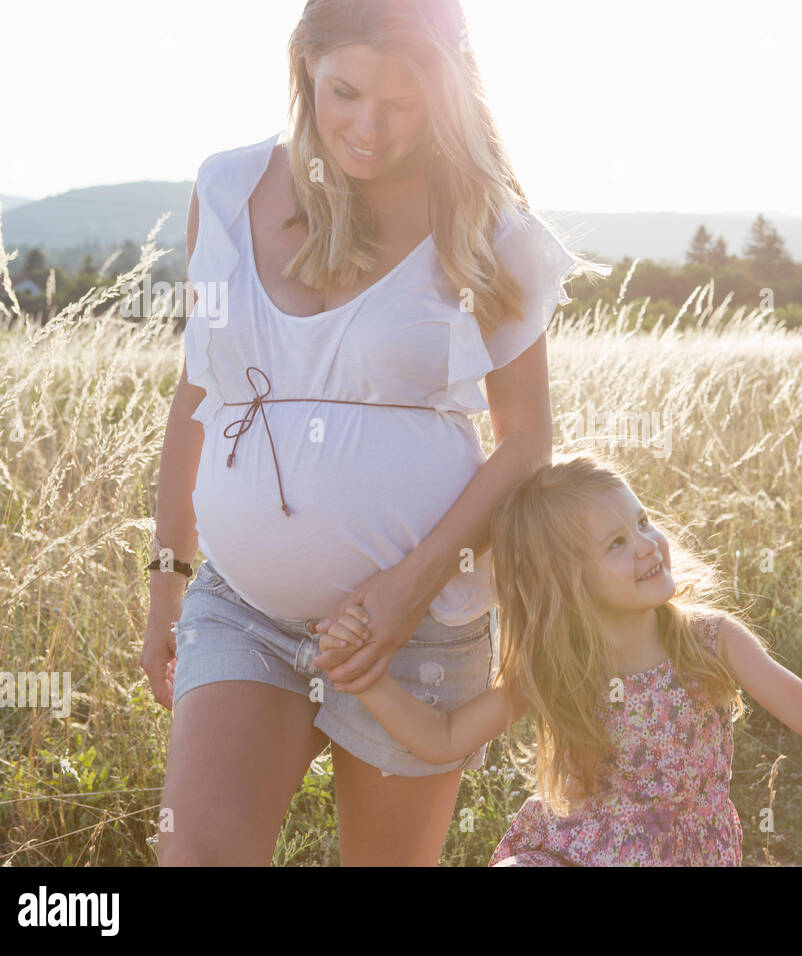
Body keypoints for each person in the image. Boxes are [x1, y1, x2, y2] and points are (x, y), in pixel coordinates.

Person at [141, 0, 605, 866]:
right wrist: (168, 577)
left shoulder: (484, 222)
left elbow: (525, 440)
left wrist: (404, 591)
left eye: (402, 103)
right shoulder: (227, 188)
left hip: (422, 620)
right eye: (344, 92)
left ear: (446, 92)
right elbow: (196, 391)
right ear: (303, 66)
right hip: (246, 607)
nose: (368, 127)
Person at [317, 454, 802, 865]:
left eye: (643, 522)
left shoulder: (709, 641)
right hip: (574, 851)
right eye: (617, 544)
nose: (648, 544)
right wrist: (364, 678)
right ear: (569, 583)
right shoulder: (561, 668)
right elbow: (443, 737)